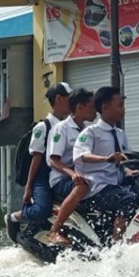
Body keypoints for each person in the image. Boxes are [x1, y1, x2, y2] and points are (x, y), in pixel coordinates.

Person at [5, 81, 73, 243]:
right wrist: (29, 187)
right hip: (42, 176)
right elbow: (36, 158)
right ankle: (14, 217)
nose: (73, 102)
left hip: (62, 174)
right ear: (59, 99)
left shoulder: (69, 126)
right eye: (69, 97)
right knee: (42, 209)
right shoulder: (43, 127)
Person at [73, 86, 139, 241]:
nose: (124, 109)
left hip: (115, 184)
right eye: (120, 105)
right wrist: (106, 159)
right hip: (97, 187)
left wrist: (129, 170)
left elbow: (126, 158)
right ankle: (117, 247)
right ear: (105, 108)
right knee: (127, 199)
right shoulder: (90, 132)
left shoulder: (120, 134)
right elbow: (82, 155)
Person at [45, 87, 97, 246]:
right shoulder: (62, 128)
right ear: (80, 108)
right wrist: (72, 174)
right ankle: (54, 231)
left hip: (85, 177)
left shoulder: (89, 131)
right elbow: (53, 160)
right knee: (81, 187)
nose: (96, 111)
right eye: (92, 107)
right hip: (61, 180)